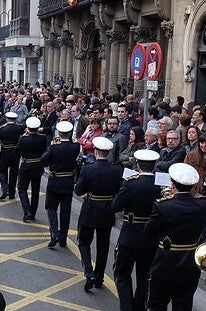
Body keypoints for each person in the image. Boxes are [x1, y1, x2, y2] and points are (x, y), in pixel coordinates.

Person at [144, 163, 206, 311]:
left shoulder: (163, 206)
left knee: (155, 308)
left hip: (165, 263)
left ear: (172, 184)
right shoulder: (203, 205)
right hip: (190, 265)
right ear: (193, 186)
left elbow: (149, 231)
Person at [110, 150, 162, 311]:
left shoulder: (131, 184)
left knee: (122, 274)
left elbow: (115, 206)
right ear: (154, 166)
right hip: (151, 238)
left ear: (138, 165)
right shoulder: (161, 185)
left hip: (130, 236)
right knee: (144, 278)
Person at [74, 136, 124, 290]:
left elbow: (78, 190)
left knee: (84, 242)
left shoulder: (87, 169)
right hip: (107, 210)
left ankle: (89, 272)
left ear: (95, 151)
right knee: (103, 246)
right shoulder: (118, 170)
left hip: (90, 209)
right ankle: (99, 276)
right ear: (108, 152)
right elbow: (120, 191)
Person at [42, 121, 82, 249]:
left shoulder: (54, 147)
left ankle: (54, 233)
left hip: (55, 181)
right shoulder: (75, 147)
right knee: (65, 211)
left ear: (59, 133)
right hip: (68, 181)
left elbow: (44, 160)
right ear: (70, 133)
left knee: (51, 208)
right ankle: (63, 239)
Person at [13, 117, 48, 222]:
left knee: (22, 189)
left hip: (26, 165)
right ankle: (32, 213)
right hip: (38, 165)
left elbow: (16, 152)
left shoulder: (23, 139)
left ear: (28, 127)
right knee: (35, 190)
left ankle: (27, 210)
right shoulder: (43, 138)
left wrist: (24, 136)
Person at [0, 112, 24, 200]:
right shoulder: (20, 128)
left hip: (5, 151)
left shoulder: (2, 128)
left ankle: (5, 189)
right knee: (13, 173)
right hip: (16, 151)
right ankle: (12, 193)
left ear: (7, 119)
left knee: (2, 171)